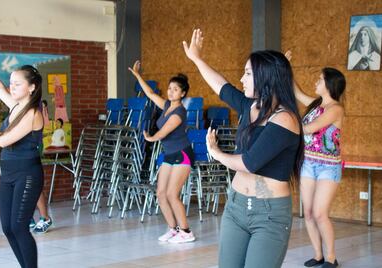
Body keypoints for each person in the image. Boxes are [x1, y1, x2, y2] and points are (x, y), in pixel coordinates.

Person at [183, 29, 304, 267]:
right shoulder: (250, 106)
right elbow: (222, 86)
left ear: (265, 77)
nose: (242, 78)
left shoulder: (285, 119)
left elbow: (250, 162)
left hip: (269, 215)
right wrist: (197, 59)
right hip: (236, 207)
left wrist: (216, 153)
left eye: (248, 73)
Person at [0, 46, 44, 268]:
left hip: (27, 174)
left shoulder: (33, 113)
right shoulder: (16, 107)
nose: (11, 87)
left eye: (17, 84)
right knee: (7, 227)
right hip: (9, 173)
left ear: (31, 87)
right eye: (11, 83)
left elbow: (3, 141)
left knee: (20, 227)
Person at [286, 51, 346, 268]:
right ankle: (318, 255)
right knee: (309, 213)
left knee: (321, 213)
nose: (316, 81)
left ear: (329, 84)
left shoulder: (335, 109)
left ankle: (331, 258)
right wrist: (287, 66)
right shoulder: (316, 104)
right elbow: (295, 90)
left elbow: (311, 128)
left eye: (320, 79)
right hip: (308, 163)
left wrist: (287, 124)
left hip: (328, 168)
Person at [128, 60, 196, 244]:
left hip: (182, 155)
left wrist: (151, 138)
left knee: (173, 194)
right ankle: (173, 229)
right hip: (169, 154)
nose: (171, 91)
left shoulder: (180, 112)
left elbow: (165, 130)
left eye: (175, 89)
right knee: (161, 193)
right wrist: (137, 76)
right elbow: (150, 93)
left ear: (182, 94)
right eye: (170, 88)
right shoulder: (167, 106)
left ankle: (186, 232)